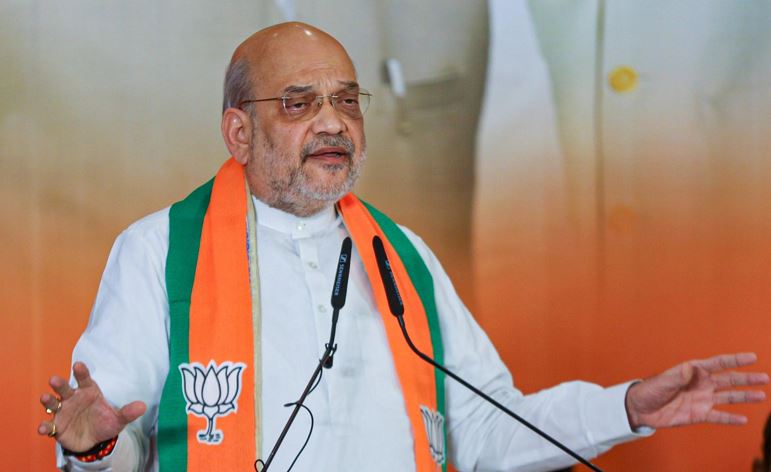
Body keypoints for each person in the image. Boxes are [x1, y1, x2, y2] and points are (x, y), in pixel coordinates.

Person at [37, 22, 768, 472]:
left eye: (347, 100)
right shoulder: (159, 252)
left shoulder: (401, 258)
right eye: (299, 103)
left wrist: (626, 408)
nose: (333, 122)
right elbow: (114, 446)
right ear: (238, 133)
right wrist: (93, 446)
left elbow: (485, 428)